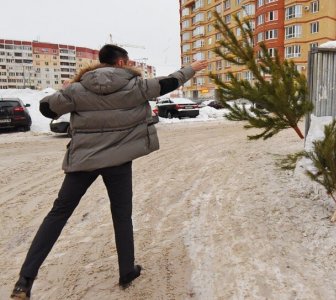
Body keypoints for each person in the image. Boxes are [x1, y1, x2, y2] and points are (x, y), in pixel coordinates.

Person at [10, 44, 208, 299]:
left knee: (58, 214)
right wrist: (191, 69)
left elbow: (47, 109)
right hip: (119, 162)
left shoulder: (77, 89)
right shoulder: (135, 86)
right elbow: (169, 82)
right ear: (122, 63)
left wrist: (66, 89)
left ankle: (24, 281)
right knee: (121, 214)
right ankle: (126, 271)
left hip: (83, 161)